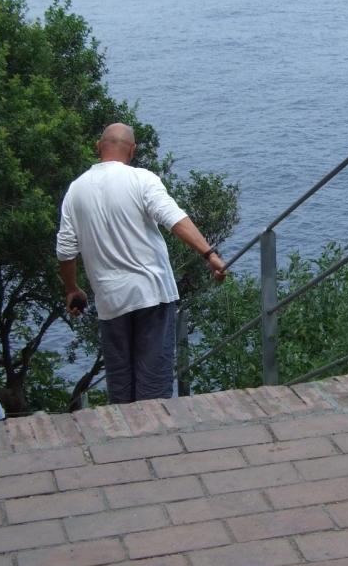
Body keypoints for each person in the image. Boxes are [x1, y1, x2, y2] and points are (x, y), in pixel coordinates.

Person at [56, 122, 227, 404]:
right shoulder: (141, 179)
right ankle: (155, 430)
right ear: (132, 150)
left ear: (99, 147)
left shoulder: (76, 190)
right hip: (152, 294)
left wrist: (72, 289)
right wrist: (210, 255)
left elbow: (65, 250)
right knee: (154, 389)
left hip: (110, 301)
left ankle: (127, 430)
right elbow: (173, 217)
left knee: (121, 389)